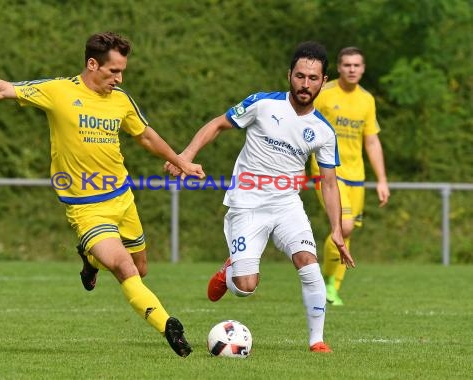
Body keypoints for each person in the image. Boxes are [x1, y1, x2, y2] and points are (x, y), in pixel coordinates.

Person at [0, 31, 203, 358]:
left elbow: (145, 137)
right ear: (91, 64)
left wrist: (180, 161)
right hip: (87, 208)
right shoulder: (58, 91)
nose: (119, 78)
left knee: (141, 270)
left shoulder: (121, 100)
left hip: (123, 199)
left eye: (122, 71)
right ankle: (168, 326)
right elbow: (1, 89)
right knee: (125, 268)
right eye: (113, 71)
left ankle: (89, 259)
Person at [165, 41, 355, 353]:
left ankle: (316, 340)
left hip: (286, 205)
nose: (305, 84)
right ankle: (231, 271)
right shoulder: (263, 104)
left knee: (308, 262)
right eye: (299, 76)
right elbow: (217, 124)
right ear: (289, 75)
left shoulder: (323, 131)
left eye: (312, 78)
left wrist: (336, 228)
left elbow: (329, 183)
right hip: (247, 203)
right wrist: (185, 156)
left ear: (323, 81)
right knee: (245, 287)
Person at [310, 46, 389, 306]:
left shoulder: (366, 100)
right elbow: (303, 125)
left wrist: (382, 180)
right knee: (342, 226)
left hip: (357, 176)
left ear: (363, 69)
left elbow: (372, 142)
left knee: (348, 231)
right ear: (339, 67)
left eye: (357, 65)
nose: (352, 69)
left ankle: (330, 285)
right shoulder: (324, 93)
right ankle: (324, 282)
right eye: (347, 65)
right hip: (327, 170)